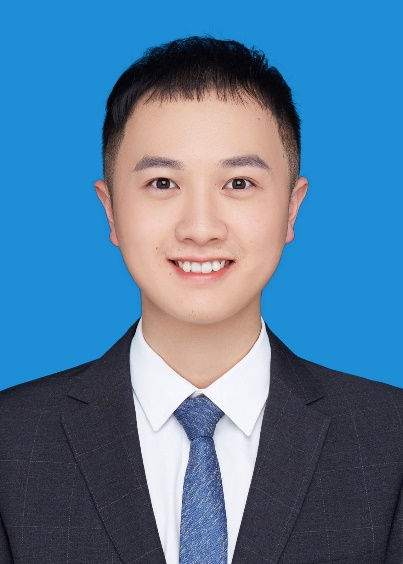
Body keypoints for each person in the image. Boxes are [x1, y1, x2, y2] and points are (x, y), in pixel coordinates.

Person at [0, 36, 402, 564]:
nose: (200, 227)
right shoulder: (11, 442)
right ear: (111, 210)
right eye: (162, 183)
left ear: (291, 208)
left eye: (239, 182)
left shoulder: (389, 440)